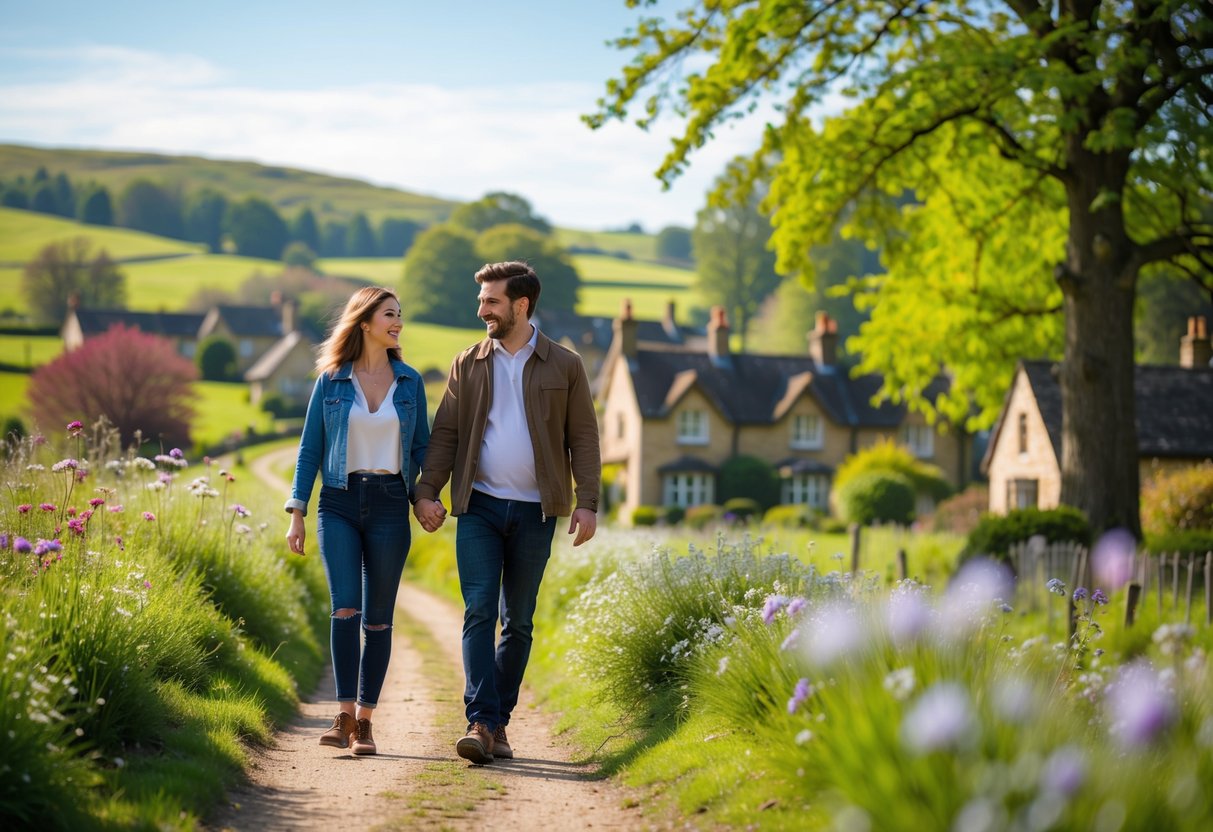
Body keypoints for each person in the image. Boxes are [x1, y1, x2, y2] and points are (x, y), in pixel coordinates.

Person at [413, 260, 600, 765]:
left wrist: (587, 502)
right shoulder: (468, 363)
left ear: (521, 304)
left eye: (491, 301)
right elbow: (446, 432)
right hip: (480, 506)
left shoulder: (565, 364)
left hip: (539, 512)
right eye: (481, 301)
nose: (482, 310)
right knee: (478, 610)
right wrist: (426, 491)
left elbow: (583, 437)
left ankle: (496, 723)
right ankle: (480, 719)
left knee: (517, 621)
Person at [284, 286, 437, 756]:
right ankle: (344, 714)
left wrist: (424, 499)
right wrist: (297, 512)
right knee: (345, 606)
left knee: (378, 621)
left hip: (391, 502)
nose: (398, 323)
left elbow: (422, 452)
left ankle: (366, 724)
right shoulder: (331, 381)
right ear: (365, 321)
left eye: (400, 315)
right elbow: (310, 449)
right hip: (339, 502)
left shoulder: (410, 382)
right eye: (390, 315)